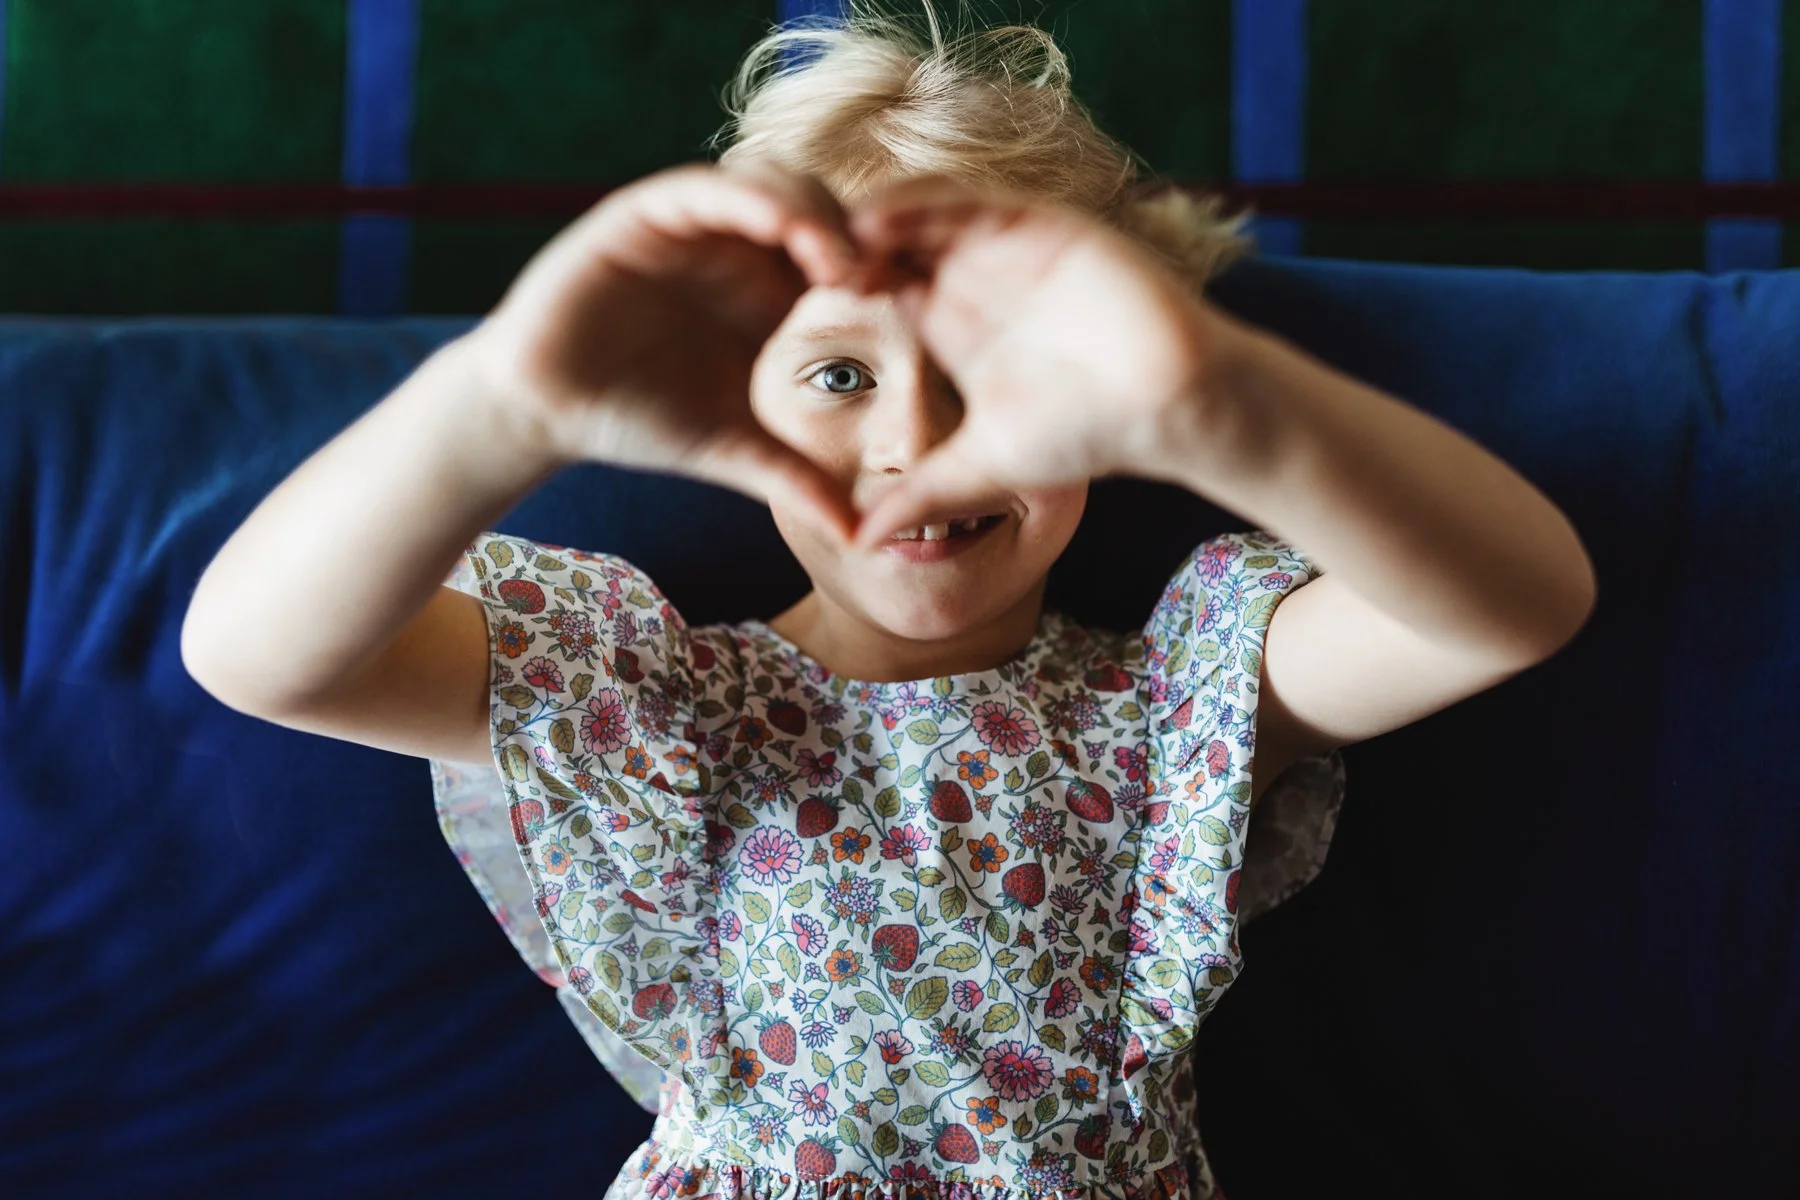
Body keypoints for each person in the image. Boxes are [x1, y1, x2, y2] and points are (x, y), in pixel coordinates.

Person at [182, 3, 1598, 1197]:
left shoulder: (1179, 701)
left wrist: (1218, 404)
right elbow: (259, 658)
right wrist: (503, 405)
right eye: (842, 375)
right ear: (728, 402)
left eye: (993, 371)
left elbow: (1504, 608)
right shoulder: (652, 700)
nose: (914, 438)